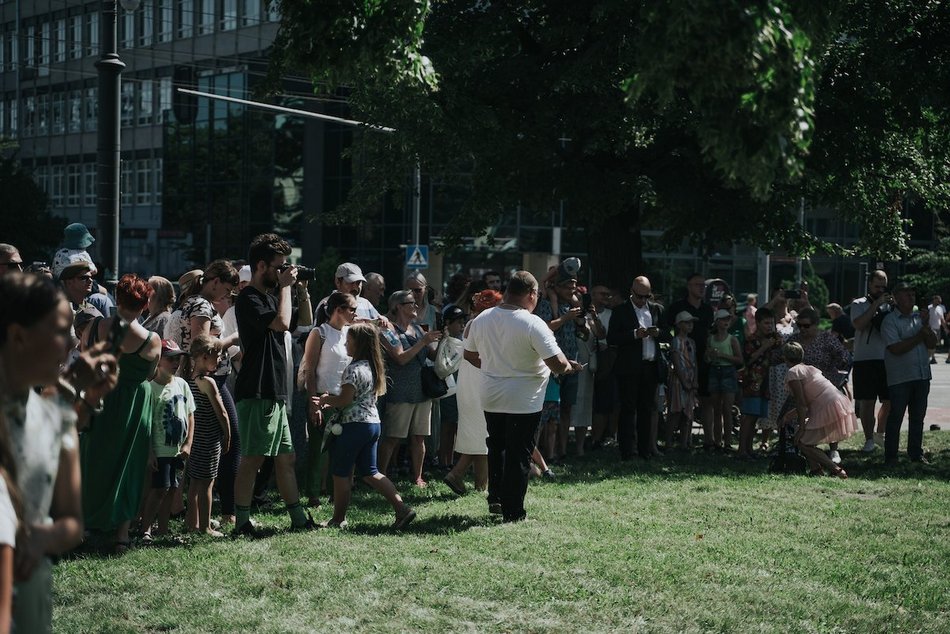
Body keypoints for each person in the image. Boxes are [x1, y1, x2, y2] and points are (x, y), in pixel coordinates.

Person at [0, 273, 118, 632]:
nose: (69, 345)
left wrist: (42, 537)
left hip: (33, 602)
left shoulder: (49, 412)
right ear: (18, 336)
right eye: (57, 332)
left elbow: (72, 524)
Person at [464, 271, 580, 522]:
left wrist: (494, 366)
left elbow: (469, 354)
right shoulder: (532, 322)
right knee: (519, 454)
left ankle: (495, 497)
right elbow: (558, 364)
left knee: (497, 448)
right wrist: (570, 367)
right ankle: (514, 511)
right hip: (524, 400)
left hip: (492, 395)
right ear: (531, 294)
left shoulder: (483, 318)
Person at [232, 233, 314, 535]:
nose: (283, 272)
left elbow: (300, 322)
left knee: (286, 458)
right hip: (258, 389)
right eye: (278, 266)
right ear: (261, 265)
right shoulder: (249, 298)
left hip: (275, 390)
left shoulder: (272, 296)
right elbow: (280, 323)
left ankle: (299, 519)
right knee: (253, 458)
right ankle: (241, 522)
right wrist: (284, 288)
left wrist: (298, 290)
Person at [81, 274, 161, 552]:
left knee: (93, 460)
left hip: (98, 398)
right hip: (133, 404)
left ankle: (87, 525)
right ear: (146, 304)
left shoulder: (92, 327)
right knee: (130, 465)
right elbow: (150, 374)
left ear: (117, 299)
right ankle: (122, 535)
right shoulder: (151, 340)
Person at [310, 323, 416, 529]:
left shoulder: (352, 370)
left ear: (358, 343)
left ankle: (338, 519)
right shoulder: (372, 367)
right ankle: (402, 508)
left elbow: (344, 400)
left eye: (348, 340)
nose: (345, 343)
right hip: (372, 424)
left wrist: (324, 400)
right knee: (371, 472)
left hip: (353, 426)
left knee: (340, 473)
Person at [176, 260, 241, 525]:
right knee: (230, 442)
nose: (226, 295)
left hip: (199, 379)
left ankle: (201, 518)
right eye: (225, 289)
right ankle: (226, 513)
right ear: (214, 282)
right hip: (207, 381)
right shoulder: (202, 305)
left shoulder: (192, 301)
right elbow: (203, 347)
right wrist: (232, 339)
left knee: (199, 471)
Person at [299, 292, 358, 507]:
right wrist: (314, 402)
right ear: (338, 310)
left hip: (343, 399)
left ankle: (336, 493)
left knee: (341, 449)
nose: (355, 313)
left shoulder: (351, 333)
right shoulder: (320, 332)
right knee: (318, 449)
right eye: (351, 309)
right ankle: (313, 494)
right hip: (322, 398)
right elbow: (309, 369)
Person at [378, 290, 442, 486]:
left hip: (422, 392)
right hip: (400, 393)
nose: (416, 305)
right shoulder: (389, 330)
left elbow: (432, 356)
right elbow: (400, 358)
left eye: (416, 303)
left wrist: (444, 341)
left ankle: (418, 477)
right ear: (397, 306)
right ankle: (380, 476)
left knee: (419, 438)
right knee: (393, 438)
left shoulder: (418, 328)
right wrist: (423, 342)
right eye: (410, 303)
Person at [442, 290, 501, 496]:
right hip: (478, 384)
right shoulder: (486, 324)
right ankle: (456, 475)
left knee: (478, 437)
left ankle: (480, 485)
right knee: (483, 436)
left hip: (467, 384)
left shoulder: (471, 324)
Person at [608, 275, 671, 459]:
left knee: (647, 409)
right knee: (628, 409)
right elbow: (612, 338)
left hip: (650, 365)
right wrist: (634, 334)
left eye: (646, 296)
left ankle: (645, 449)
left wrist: (658, 332)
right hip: (629, 367)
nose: (643, 300)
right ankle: (627, 451)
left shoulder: (656, 309)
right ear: (632, 292)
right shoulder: (620, 311)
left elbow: (668, 334)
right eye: (640, 296)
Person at [140, 340, 194, 543]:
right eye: (170, 359)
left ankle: (163, 529)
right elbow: (145, 423)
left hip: (178, 449)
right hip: (160, 448)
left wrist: (188, 443)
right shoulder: (150, 388)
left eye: (178, 359)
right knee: (158, 489)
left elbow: (190, 415)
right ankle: (145, 529)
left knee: (173, 489)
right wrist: (150, 452)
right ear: (158, 360)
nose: (176, 363)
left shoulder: (182, 384)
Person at [881, 280, 938, 465]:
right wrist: (919, 336)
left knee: (918, 418)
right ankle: (891, 456)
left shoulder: (918, 318)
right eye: (906, 293)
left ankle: (915, 454)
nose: (911, 296)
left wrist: (926, 327)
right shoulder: (890, 321)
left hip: (922, 376)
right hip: (901, 378)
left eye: (912, 293)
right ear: (896, 298)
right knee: (896, 416)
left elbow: (931, 344)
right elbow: (895, 348)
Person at [782, 342, 858, 478]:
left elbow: (801, 402)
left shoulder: (793, 372)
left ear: (785, 357)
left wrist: (801, 428)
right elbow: (808, 400)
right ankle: (816, 470)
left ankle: (837, 470)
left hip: (827, 405)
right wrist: (789, 415)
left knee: (803, 442)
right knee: (805, 441)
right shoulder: (808, 368)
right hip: (836, 401)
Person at [535, 262, 584, 460]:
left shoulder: (573, 305)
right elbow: (545, 328)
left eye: (573, 288)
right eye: (566, 287)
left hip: (572, 364)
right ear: (557, 286)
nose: (570, 291)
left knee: (566, 410)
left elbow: (581, 328)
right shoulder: (546, 304)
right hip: (553, 365)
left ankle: (562, 450)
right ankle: (544, 452)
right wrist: (565, 318)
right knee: (547, 413)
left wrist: (582, 324)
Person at [184, 335, 231, 536]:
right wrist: (228, 435)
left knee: (195, 482)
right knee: (207, 483)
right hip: (209, 439)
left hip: (194, 439)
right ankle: (205, 527)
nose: (219, 359)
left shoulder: (188, 380)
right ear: (204, 356)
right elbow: (222, 412)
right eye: (217, 355)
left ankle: (191, 523)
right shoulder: (208, 382)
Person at [664, 274, 715, 446]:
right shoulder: (677, 307)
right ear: (689, 286)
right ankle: (671, 441)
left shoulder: (708, 310)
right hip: (681, 364)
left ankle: (708, 440)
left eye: (704, 285)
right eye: (698, 284)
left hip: (702, 361)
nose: (701, 288)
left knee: (705, 401)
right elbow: (666, 329)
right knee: (677, 407)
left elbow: (711, 333)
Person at [850, 270, 892, 453]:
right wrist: (875, 305)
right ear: (869, 285)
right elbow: (859, 324)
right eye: (877, 286)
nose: (880, 290)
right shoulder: (858, 304)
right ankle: (868, 439)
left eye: (883, 286)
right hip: (864, 359)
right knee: (867, 402)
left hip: (887, 358)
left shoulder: (890, 305)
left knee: (890, 400)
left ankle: (880, 433)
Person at [737, 308, 780, 459]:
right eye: (766, 323)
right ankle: (741, 450)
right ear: (758, 323)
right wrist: (765, 347)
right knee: (748, 417)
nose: (770, 326)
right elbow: (748, 359)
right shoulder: (751, 339)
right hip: (752, 383)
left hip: (764, 385)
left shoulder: (772, 339)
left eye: (772, 323)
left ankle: (749, 450)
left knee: (755, 418)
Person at [706, 308, 742, 449]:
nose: (726, 322)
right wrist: (709, 355)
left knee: (727, 409)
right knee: (717, 410)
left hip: (728, 371)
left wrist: (721, 355)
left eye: (728, 319)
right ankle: (717, 441)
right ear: (717, 322)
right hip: (714, 370)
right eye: (722, 319)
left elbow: (739, 360)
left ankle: (727, 442)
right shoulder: (711, 339)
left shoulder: (732, 339)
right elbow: (707, 358)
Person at [667, 311, 699, 449]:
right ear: (679, 325)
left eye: (691, 323)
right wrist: (683, 380)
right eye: (687, 322)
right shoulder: (675, 341)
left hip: (691, 378)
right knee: (675, 411)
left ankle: (684, 443)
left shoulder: (691, 341)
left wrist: (695, 380)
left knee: (688, 412)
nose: (690, 325)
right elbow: (675, 360)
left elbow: (695, 362)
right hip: (678, 379)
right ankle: (668, 442)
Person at [926, 295, 946, 364]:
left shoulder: (940, 308)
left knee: (935, 344)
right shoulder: (929, 307)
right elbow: (926, 318)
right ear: (934, 300)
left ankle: (932, 357)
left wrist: (945, 328)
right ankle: (932, 358)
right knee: (931, 343)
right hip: (931, 328)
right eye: (938, 300)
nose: (939, 302)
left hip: (938, 328)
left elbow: (942, 319)